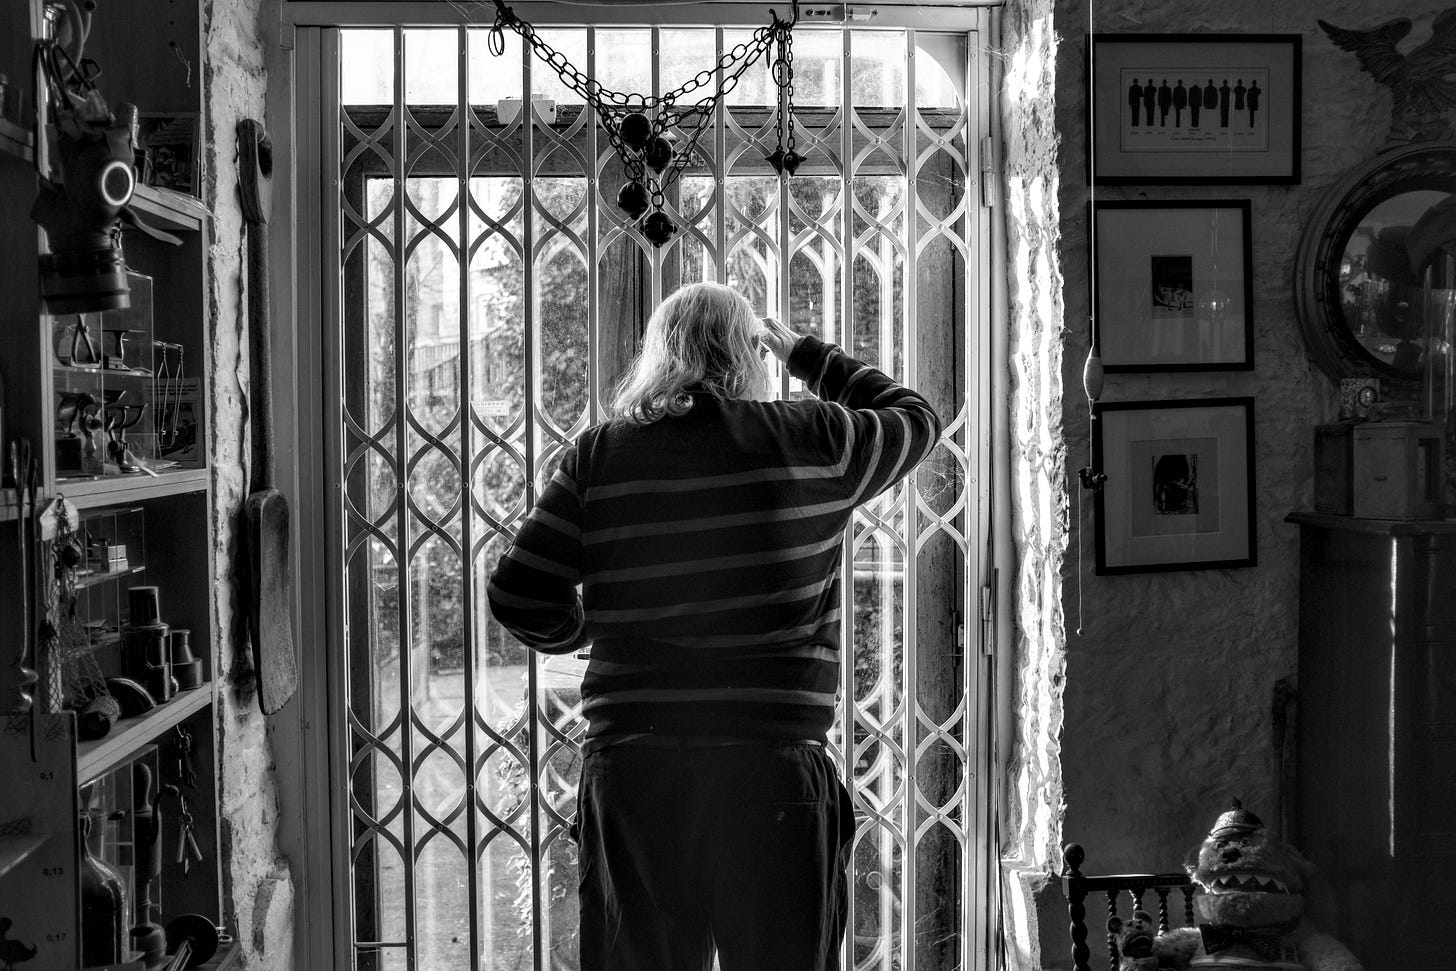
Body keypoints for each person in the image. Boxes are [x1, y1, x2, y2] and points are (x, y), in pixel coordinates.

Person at [487, 281, 941, 971]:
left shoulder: (601, 455)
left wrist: (588, 628)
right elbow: (915, 417)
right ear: (750, 355)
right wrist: (806, 354)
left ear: (659, 355)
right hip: (770, 773)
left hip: (637, 775)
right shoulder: (811, 440)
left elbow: (518, 591)